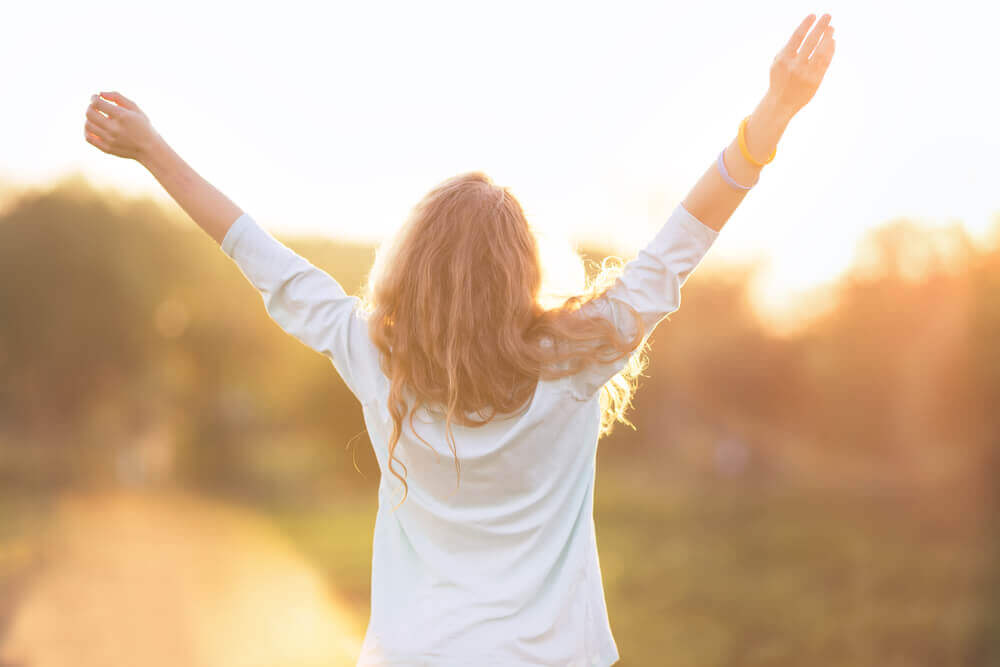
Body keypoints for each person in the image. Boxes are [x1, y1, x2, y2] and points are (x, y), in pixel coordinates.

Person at [83, 12, 834, 666]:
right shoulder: (579, 356)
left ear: (412, 264)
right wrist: (776, 111)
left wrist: (152, 149)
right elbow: (686, 236)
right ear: (523, 270)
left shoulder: (373, 352)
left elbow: (250, 245)